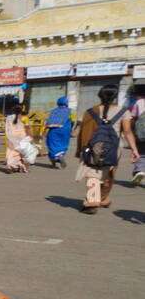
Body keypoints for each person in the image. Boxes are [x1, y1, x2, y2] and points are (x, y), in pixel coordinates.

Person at [74, 85, 139, 213]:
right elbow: (127, 132)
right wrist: (134, 150)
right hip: (114, 148)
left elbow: (83, 132)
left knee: (93, 174)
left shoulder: (90, 111)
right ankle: (103, 198)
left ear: (100, 96)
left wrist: (80, 149)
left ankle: (92, 202)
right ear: (115, 96)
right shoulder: (123, 111)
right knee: (108, 174)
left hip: (93, 147)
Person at [44, 96, 73, 168]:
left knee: (51, 145)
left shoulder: (54, 111)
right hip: (65, 131)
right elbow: (73, 121)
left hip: (53, 131)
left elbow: (49, 122)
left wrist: (44, 132)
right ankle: (60, 155)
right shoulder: (70, 111)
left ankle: (53, 163)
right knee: (62, 145)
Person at [4, 100, 29, 172]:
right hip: (21, 138)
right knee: (19, 153)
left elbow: (7, 128)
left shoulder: (9, 117)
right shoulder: (24, 118)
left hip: (11, 138)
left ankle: (10, 166)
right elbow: (27, 128)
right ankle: (19, 165)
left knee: (11, 152)